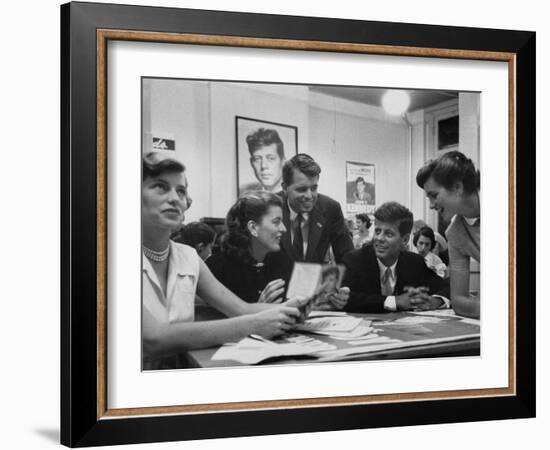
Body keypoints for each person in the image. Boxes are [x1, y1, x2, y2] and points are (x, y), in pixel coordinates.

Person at [141, 152, 305, 370]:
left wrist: (290, 309)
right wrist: (254, 325)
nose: (175, 198)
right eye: (161, 186)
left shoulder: (189, 257)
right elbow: (154, 339)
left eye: (181, 191)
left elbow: (241, 309)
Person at [266, 153, 353, 309]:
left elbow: (347, 256)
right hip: (277, 304)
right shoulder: (270, 207)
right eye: (301, 189)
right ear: (285, 188)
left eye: (314, 188)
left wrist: (343, 289)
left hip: (317, 304)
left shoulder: (330, 208)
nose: (309, 196)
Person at [342, 202, 450, 313]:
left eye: (388, 234)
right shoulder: (356, 260)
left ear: (404, 240)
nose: (379, 238)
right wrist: (394, 301)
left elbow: (447, 287)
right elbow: (344, 299)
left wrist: (435, 301)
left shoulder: (414, 263)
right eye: (377, 231)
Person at [416, 151, 480, 319]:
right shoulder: (454, 233)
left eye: (434, 195)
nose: (430, 206)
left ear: (457, 187)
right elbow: (459, 302)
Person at [206, 192, 292, 304]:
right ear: (253, 227)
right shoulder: (216, 268)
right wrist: (258, 309)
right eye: (276, 222)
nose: (284, 228)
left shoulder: (283, 261)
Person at [240, 128, 285, 194]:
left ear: (283, 162)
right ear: (251, 163)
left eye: (271, 158)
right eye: (257, 159)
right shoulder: (245, 193)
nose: (263, 166)